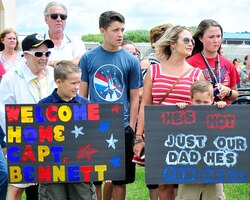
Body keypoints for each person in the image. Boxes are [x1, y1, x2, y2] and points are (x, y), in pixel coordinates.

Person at [133, 25, 204, 200]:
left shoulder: (197, 73)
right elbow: (145, 106)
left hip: (187, 137)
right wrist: (139, 137)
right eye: (186, 40)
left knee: (184, 184)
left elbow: (203, 107)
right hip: (158, 136)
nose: (191, 44)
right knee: (163, 184)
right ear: (172, 43)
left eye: (192, 41)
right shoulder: (154, 70)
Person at [79, 10, 143, 200]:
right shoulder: (88, 58)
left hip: (122, 127)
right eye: (115, 30)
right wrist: (83, 122)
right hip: (94, 126)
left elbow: (134, 98)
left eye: (122, 29)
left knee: (119, 180)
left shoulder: (131, 60)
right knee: (96, 178)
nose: (120, 34)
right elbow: (82, 94)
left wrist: (131, 126)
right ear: (102, 31)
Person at [0, 33, 56, 200]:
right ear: (25, 55)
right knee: (17, 186)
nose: (44, 57)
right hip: (23, 140)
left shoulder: (54, 74)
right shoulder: (12, 77)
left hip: (52, 140)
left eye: (47, 53)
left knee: (49, 185)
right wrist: (15, 137)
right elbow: (3, 111)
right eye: (38, 53)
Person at [38, 60, 96, 200]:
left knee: (84, 196)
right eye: (73, 83)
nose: (77, 87)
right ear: (59, 82)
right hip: (52, 168)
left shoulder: (86, 105)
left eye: (79, 82)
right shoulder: (43, 105)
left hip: (80, 167)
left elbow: (94, 137)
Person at [175, 79, 226, 200]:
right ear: (191, 100)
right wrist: (180, 110)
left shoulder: (218, 115)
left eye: (205, 102)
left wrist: (222, 108)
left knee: (214, 197)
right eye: (197, 102)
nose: (201, 105)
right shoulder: (185, 116)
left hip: (214, 172)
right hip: (188, 172)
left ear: (212, 101)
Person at [187, 19, 239, 104]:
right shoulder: (190, 63)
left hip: (224, 114)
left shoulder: (228, 64)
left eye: (218, 36)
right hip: (200, 113)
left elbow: (235, 96)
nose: (216, 41)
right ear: (201, 38)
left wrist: (228, 91)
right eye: (211, 37)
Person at [43, 1, 86, 67]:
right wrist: (70, 63)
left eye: (63, 16)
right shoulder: (37, 42)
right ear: (46, 19)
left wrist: (51, 63)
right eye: (54, 16)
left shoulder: (77, 42)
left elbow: (81, 62)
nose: (59, 19)